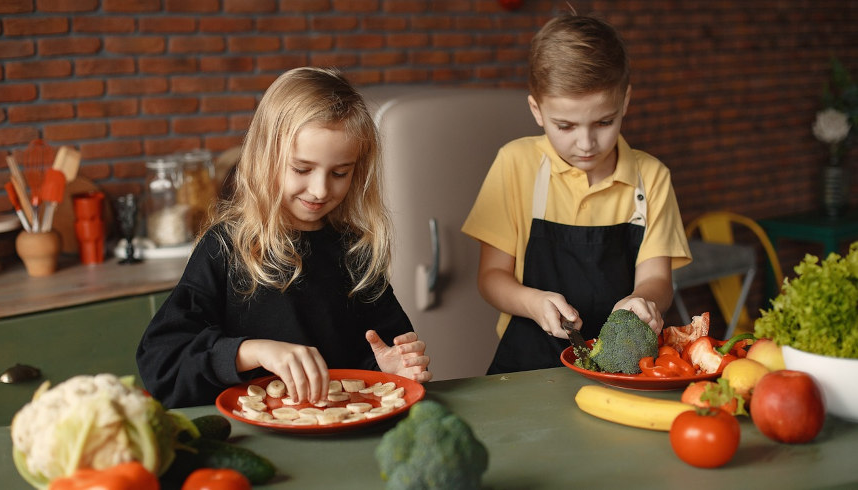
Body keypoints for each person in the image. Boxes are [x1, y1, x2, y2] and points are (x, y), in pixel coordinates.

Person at [137, 67, 432, 408]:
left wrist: (392, 370)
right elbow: (162, 363)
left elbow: (377, 362)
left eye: (340, 173)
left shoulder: (355, 252)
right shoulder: (225, 247)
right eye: (302, 169)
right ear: (266, 156)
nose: (321, 190)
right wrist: (251, 351)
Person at [461, 13, 691, 374]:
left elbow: (659, 280)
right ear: (537, 110)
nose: (586, 144)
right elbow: (491, 277)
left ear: (625, 103)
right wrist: (532, 302)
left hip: (623, 368)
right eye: (565, 126)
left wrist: (641, 300)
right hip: (527, 364)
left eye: (604, 122)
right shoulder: (515, 164)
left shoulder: (652, 177)